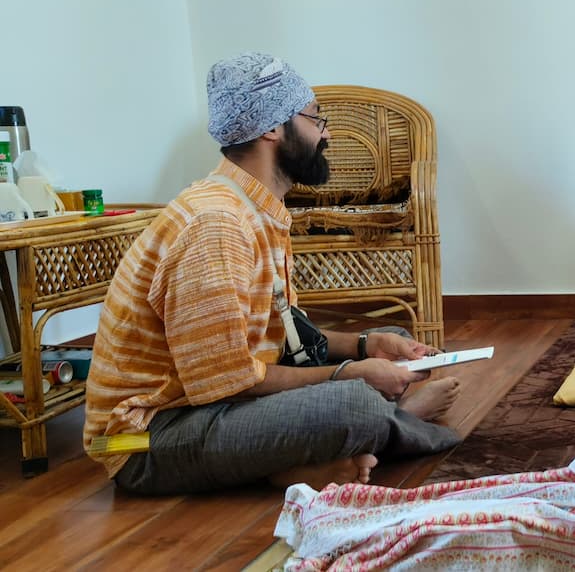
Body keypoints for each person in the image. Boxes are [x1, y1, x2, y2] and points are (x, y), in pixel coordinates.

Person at [82, 52, 461, 495]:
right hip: (145, 440)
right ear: (272, 128)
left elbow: (282, 339)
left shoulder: (255, 207)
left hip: (211, 407)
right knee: (354, 402)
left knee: (390, 342)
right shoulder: (216, 226)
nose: (326, 133)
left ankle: (321, 453)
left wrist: (366, 345)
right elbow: (225, 383)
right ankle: (398, 421)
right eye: (315, 118)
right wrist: (351, 374)